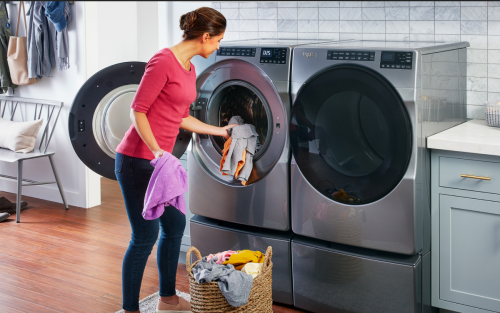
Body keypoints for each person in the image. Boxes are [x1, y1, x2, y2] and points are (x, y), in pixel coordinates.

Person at [114, 7, 231, 313]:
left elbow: (180, 117)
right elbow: (137, 110)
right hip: (138, 161)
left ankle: (167, 299)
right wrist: (156, 152)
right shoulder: (163, 61)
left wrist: (221, 130)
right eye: (218, 40)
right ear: (205, 36)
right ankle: (130, 309)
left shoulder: (189, 68)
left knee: (175, 225)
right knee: (144, 236)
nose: (218, 46)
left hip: (160, 164)